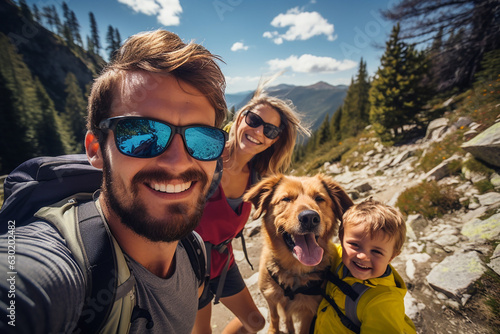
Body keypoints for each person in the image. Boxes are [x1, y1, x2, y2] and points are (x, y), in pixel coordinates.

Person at [0, 29, 227, 334]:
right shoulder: (57, 268)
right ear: (96, 150)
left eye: (202, 138)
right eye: (141, 134)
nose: (178, 161)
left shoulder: (193, 250)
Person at [192, 80, 311, 334]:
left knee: (255, 323)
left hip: (222, 260)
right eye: (254, 121)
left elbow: (289, 210)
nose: (259, 132)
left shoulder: (259, 179)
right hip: (188, 259)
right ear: (240, 118)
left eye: (270, 131)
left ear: (273, 142)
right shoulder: (204, 156)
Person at [314, 198, 416, 334]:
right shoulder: (338, 256)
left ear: (392, 256)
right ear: (341, 238)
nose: (362, 256)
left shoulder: (382, 303)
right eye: (355, 245)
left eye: (376, 251)